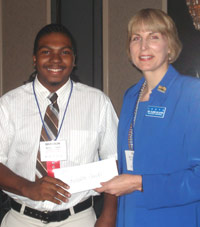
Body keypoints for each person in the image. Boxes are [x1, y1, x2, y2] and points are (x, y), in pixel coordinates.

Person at [0, 23, 118, 227]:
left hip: (79, 218)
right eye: (46, 52)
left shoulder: (97, 102)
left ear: (74, 60)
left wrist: (108, 215)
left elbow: (114, 160)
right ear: (35, 59)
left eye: (64, 52)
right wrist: (28, 188)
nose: (56, 59)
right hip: (21, 219)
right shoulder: (9, 104)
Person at [95, 8, 200, 227]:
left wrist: (140, 183)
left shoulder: (192, 93)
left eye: (154, 37)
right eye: (136, 38)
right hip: (130, 215)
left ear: (169, 45)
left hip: (173, 217)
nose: (143, 46)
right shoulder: (131, 95)